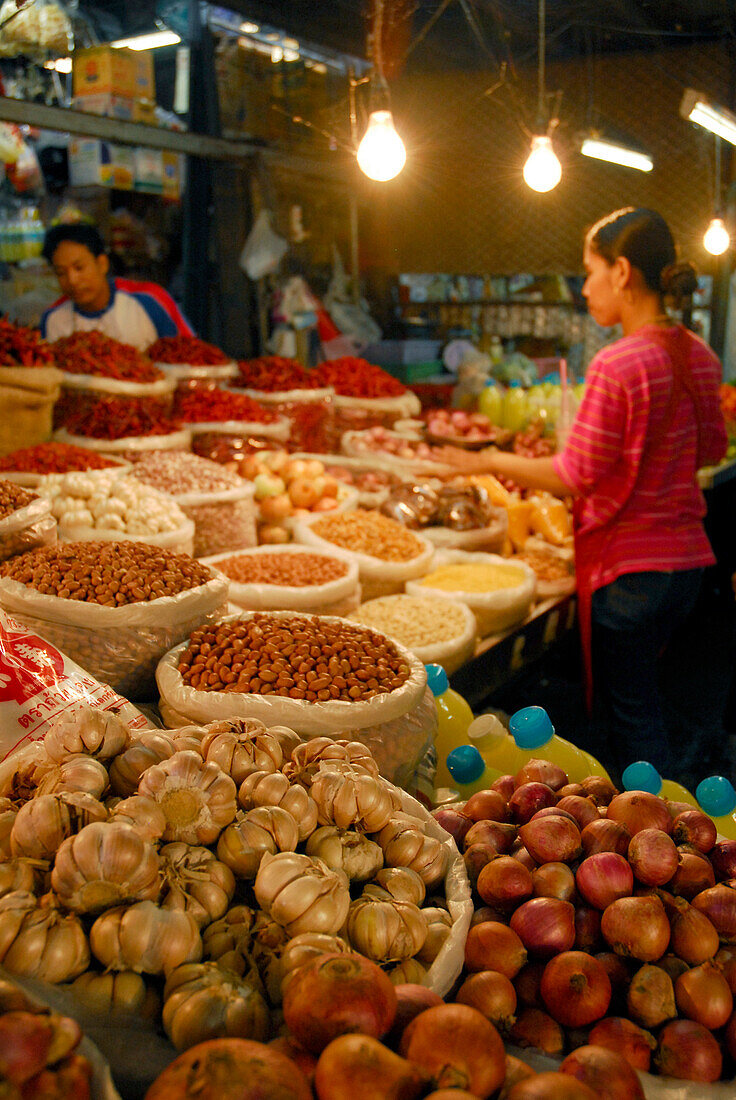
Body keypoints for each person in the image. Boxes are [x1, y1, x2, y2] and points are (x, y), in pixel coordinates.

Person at [438, 207, 728, 783]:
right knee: (652, 699)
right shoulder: (701, 354)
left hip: (631, 574)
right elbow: (713, 449)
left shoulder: (619, 362)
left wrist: (486, 458)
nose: (585, 287)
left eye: (589, 271)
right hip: (687, 567)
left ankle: (658, 830)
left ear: (621, 272)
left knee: (634, 720)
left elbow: (576, 473)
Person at [40, 223, 193, 350]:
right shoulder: (53, 320)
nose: (72, 280)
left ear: (102, 264)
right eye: (61, 273)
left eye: (79, 268)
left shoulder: (149, 300)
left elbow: (190, 356)